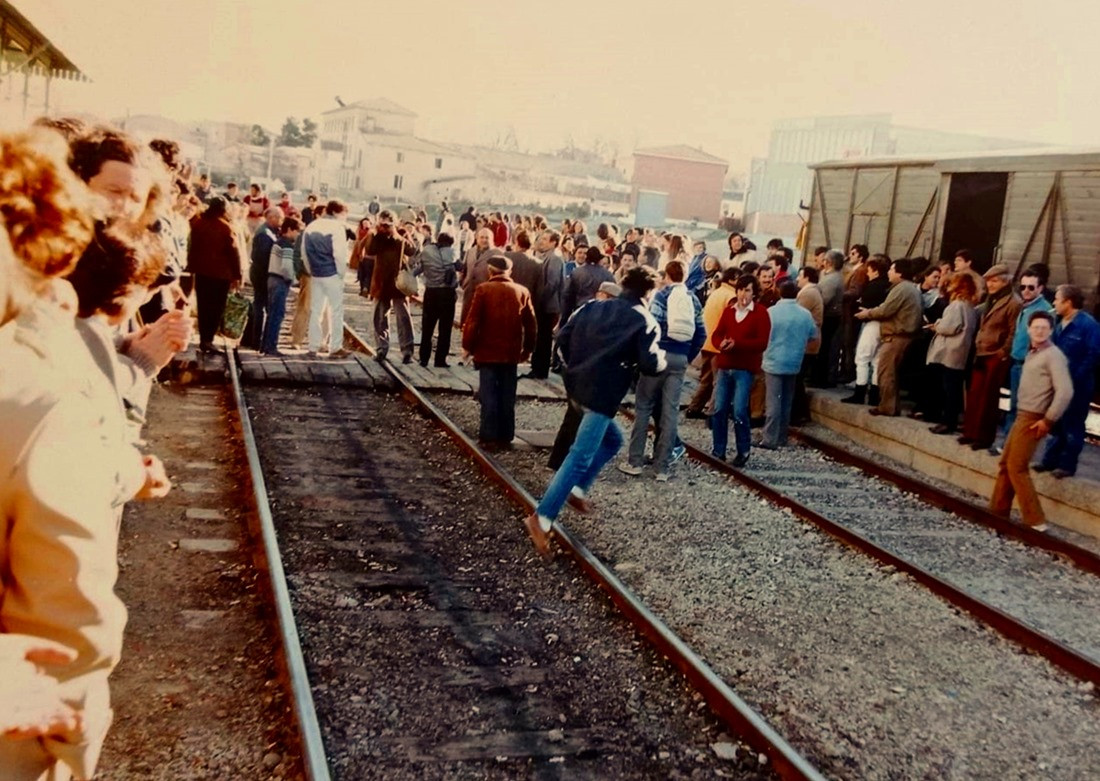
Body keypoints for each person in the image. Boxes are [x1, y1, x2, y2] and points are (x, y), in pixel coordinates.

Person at [522, 267, 666, 556]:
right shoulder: (645, 321)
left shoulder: (592, 306)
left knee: (613, 441)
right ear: (648, 293)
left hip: (577, 387)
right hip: (603, 395)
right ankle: (542, 517)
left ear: (622, 284)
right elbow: (651, 365)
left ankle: (576, 491)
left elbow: (561, 338)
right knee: (579, 456)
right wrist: (662, 359)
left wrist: (572, 369)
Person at [620, 260, 705, 481]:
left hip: (660, 356)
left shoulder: (662, 296)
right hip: (680, 360)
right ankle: (662, 468)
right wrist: (686, 354)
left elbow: (652, 326)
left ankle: (635, 462)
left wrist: (647, 356)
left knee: (644, 407)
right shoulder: (692, 299)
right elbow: (701, 333)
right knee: (670, 413)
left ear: (667, 275)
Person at [990, 311, 1072, 531]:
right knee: (1006, 463)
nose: (1039, 331)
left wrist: (1048, 420)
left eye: (1044, 328)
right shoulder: (1034, 352)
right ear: (1028, 330)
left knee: (1017, 467)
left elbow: (1065, 391)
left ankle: (1035, 520)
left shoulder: (1054, 355)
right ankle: (998, 512)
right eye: (1035, 327)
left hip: (1034, 418)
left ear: (1051, 331)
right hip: (1022, 414)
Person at [461, 255, 537, 446]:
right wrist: (528, 349)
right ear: (509, 272)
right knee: (507, 394)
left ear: (490, 271)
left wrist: (467, 347)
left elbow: (473, 322)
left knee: (489, 394)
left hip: (487, 352)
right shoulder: (522, 291)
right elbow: (531, 324)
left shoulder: (483, 290)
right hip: (511, 354)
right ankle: (506, 434)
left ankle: (488, 436)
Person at [1035, 285, 1100, 478]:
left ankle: (1067, 465)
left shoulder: (1088, 325)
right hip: (1058, 383)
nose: (1054, 302)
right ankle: (1049, 461)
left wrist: (1075, 377)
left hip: (1077, 386)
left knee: (1072, 424)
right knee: (1056, 422)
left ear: (1068, 302)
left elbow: (1094, 354)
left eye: (1057, 299)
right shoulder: (1057, 322)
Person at [710, 274, 771, 467]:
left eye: (747, 290)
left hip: (744, 369)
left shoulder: (761, 313)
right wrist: (721, 343)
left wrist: (738, 344)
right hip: (725, 366)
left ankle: (743, 450)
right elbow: (717, 334)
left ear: (754, 293)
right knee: (719, 409)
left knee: (739, 411)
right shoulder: (729, 311)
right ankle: (718, 449)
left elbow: (762, 342)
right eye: (740, 289)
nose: (743, 294)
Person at [959, 264, 1020, 449]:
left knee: (989, 399)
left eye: (994, 281)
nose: (990, 285)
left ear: (1005, 281)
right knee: (975, 394)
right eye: (989, 281)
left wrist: (1003, 353)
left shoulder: (1013, 302)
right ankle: (970, 432)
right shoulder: (991, 299)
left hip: (995, 354)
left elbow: (1013, 331)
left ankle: (984, 438)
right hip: (982, 352)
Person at [856, 258, 923, 417]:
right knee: (889, 371)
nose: (889, 272)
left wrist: (867, 313)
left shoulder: (901, 289)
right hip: (902, 335)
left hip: (897, 336)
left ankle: (887, 407)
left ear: (900, 272)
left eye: (892, 269)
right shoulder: (909, 288)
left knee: (886, 372)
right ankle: (891, 406)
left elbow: (886, 310)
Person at [760, 281, 819, 448]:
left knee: (773, 401)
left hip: (773, 360)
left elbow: (764, 333)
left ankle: (769, 439)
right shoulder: (805, 314)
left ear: (779, 292)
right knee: (786, 401)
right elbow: (813, 335)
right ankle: (782, 437)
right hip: (794, 361)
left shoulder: (771, 312)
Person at [999, 269, 1054, 444]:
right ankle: (1008, 443)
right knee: (1013, 405)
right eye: (1023, 287)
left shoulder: (1044, 310)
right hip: (1016, 363)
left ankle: (1014, 444)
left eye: (1031, 287)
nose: (1026, 291)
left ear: (1041, 288)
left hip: (1029, 366)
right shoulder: (1025, 306)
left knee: (1024, 408)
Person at [187, 196, 243, 352]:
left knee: (203, 306)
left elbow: (193, 248)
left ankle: (204, 338)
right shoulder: (226, 228)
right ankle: (209, 340)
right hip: (220, 275)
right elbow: (234, 253)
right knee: (216, 308)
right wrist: (237, 275)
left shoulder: (198, 224)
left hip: (201, 272)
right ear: (223, 209)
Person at [926, 274, 980, 434]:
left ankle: (947, 422)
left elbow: (950, 327)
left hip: (950, 351)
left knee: (949, 388)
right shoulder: (970, 306)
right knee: (955, 388)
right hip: (961, 351)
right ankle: (951, 420)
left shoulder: (956, 305)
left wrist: (937, 326)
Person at [685, 267, 740, 419]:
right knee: (719, 381)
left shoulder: (716, 293)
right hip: (719, 345)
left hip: (707, 342)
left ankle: (694, 408)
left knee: (706, 379)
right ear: (733, 279)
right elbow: (732, 322)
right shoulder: (731, 297)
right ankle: (713, 413)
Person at [301, 199, 351, 358]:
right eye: (344, 214)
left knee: (316, 310)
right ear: (337, 212)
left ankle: (313, 347)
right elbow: (339, 255)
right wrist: (341, 274)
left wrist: (311, 270)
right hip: (332, 274)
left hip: (316, 274)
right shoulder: (337, 228)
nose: (345, 218)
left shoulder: (312, 226)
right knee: (335, 310)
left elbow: (304, 252)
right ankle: (335, 347)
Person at [366, 211, 417, 363]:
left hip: (398, 283)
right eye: (383, 224)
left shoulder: (400, 236)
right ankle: (381, 349)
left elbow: (411, 250)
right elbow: (369, 250)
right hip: (381, 282)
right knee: (379, 318)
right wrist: (376, 232)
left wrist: (395, 232)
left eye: (388, 224)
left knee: (403, 318)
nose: (385, 227)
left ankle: (407, 350)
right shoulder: (377, 237)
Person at [842, 255, 891, 405]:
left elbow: (863, 304)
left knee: (862, 358)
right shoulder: (888, 286)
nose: (867, 274)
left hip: (872, 323)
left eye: (869, 270)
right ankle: (875, 395)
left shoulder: (872, 286)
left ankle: (860, 391)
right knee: (877, 360)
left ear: (875, 271)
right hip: (885, 326)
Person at [412, 231, 459, 367]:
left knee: (427, 327)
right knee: (445, 328)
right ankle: (440, 360)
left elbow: (419, 268)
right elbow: (460, 266)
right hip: (447, 294)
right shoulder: (452, 252)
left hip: (431, 293)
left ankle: (424, 358)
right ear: (451, 242)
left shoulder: (427, 251)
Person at [261, 216, 303, 356]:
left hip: (271, 278)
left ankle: (265, 345)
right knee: (277, 314)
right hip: (280, 281)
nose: (298, 235)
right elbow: (286, 267)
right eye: (297, 231)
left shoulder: (278, 242)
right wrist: (293, 280)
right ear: (290, 230)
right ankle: (271, 347)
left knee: (271, 313)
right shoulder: (287, 246)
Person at [244, 206, 284, 350]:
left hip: (261, 273)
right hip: (261, 274)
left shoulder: (269, 231)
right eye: (280, 217)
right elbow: (262, 258)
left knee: (260, 306)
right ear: (271, 218)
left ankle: (258, 340)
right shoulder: (264, 234)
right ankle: (257, 340)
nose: (282, 220)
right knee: (260, 307)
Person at [528, 230, 565, 379]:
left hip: (547, 306)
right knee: (539, 337)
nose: (541, 241)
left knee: (544, 338)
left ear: (553, 242)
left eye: (545, 239)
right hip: (543, 304)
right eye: (541, 238)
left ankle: (541, 370)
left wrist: (539, 300)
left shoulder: (554, 258)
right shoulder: (544, 257)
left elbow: (552, 283)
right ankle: (536, 367)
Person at [791, 266, 824, 424]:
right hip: (808, 342)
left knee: (797, 380)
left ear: (807, 277)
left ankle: (798, 414)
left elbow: (797, 316)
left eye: (800, 276)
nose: (797, 279)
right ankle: (800, 413)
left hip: (806, 344)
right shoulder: (812, 292)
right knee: (798, 380)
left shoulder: (808, 293)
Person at [813, 249, 845, 387]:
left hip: (829, 317)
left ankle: (821, 379)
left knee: (825, 347)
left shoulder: (833, 279)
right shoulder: (826, 275)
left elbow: (823, 300)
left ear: (829, 262)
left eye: (824, 259)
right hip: (828, 315)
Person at [561, 246, 615, 323]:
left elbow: (568, 297)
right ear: (599, 259)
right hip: (601, 314)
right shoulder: (608, 275)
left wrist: (564, 320)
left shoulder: (576, 273)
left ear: (587, 257)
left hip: (581, 311)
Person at [459, 227, 494, 325]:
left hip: (486, 293)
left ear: (491, 239)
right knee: (467, 322)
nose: (484, 240)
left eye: (487, 238)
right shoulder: (470, 251)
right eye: (481, 237)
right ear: (477, 238)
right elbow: (464, 269)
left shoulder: (497, 253)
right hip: (469, 291)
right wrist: (463, 282)